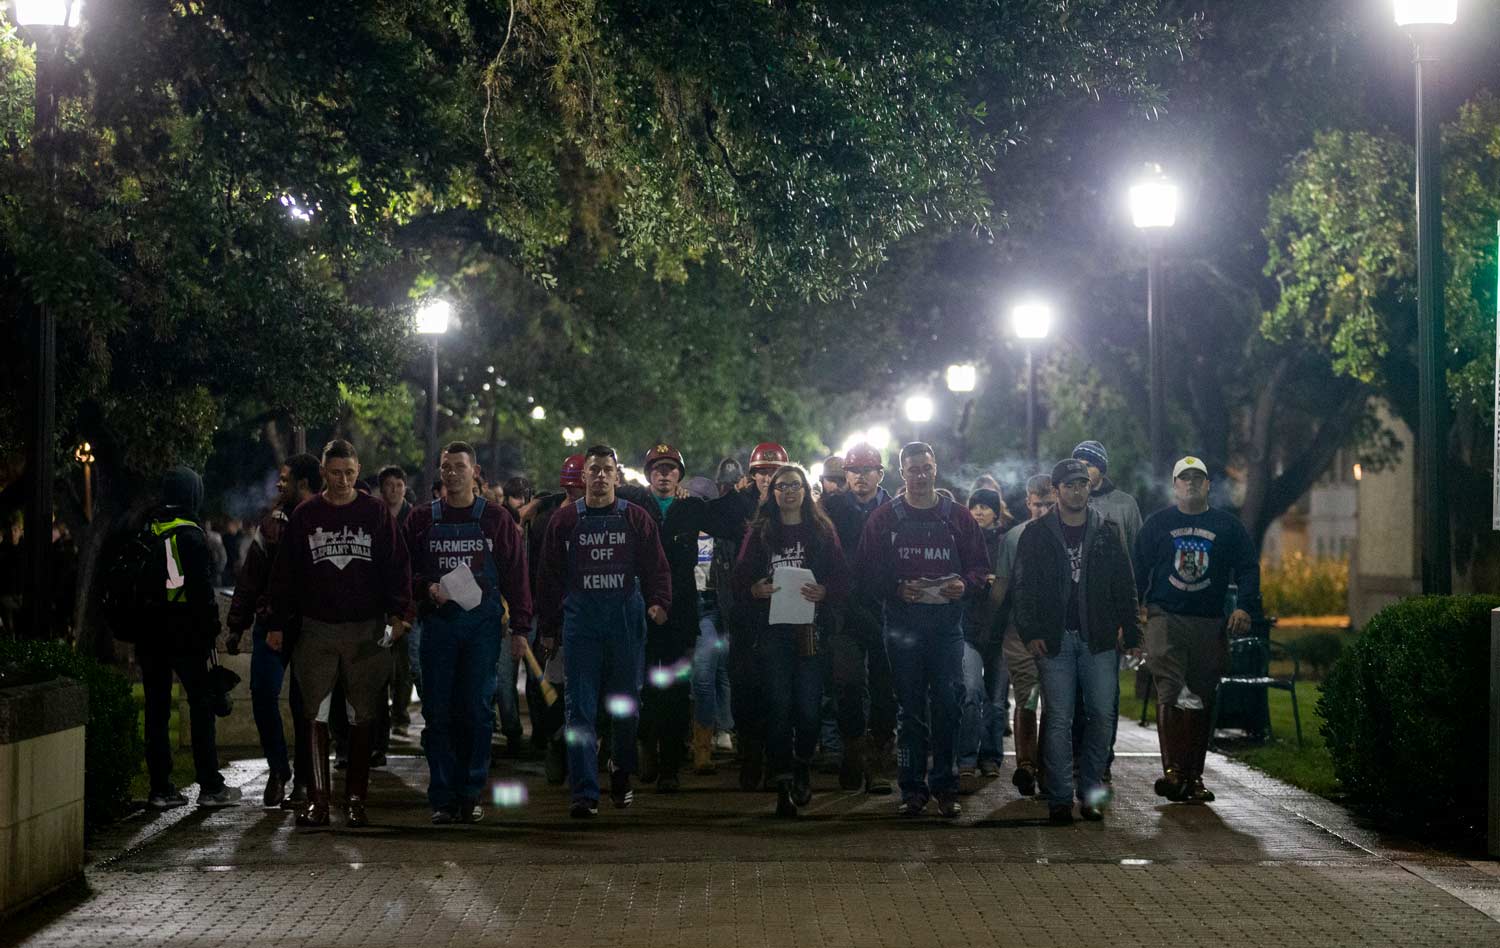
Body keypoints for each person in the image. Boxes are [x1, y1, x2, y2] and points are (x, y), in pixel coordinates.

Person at [267, 439, 413, 829]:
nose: (343, 480)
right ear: (324, 474)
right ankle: (318, 800)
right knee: (314, 711)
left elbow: (397, 565)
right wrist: (278, 623)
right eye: (335, 473)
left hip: (365, 627)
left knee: (362, 714)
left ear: (357, 469)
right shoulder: (306, 515)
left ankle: (355, 799)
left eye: (349, 473)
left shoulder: (376, 513)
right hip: (317, 627)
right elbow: (286, 573)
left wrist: (401, 613)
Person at [853, 442, 990, 818]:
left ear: (935, 468)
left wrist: (966, 584)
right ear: (902, 473)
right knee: (910, 709)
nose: (920, 475)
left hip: (947, 627)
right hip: (902, 627)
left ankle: (945, 787)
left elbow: (981, 567)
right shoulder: (884, 519)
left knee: (949, 704)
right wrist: (896, 588)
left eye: (926, 468)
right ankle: (912, 789)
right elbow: (865, 573)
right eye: (913, 469)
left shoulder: (958, 517)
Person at [536, 445, 672, 818]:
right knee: (578, 709)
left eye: (606, 470)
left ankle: (620, 770)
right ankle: (584, 792)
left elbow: (657, 567)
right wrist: (548, 628)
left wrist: (659, 602)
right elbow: (548, 578)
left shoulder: (636, 519)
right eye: (592, 470)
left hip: (625, 624)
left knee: (626, 706)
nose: (599, 476)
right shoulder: (564, 522)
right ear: (583, 477)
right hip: (580, 625)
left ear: (617, 475)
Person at [405, 442, 533, 824]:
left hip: (481, 630)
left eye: (459, 466)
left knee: (477, 712)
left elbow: (516, 576)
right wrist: (425, 588)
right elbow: (404, 572)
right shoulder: (421, 519)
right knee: (438, 711)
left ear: (474, 472)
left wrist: (521, 628)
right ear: (439, 472)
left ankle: (471, 792)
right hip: (439, 627)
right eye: (445, 467)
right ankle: (443, 797)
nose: (452, 473)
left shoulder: (495, 519)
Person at [1013, 459, 1140, 825]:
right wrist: (1030, 631)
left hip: (1097, 639)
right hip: (1055, 640)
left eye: (1082, 483)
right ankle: (1058, 798)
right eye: (1069, 485)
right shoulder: (1036, 534)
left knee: (1101, 714)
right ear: (1056, 490)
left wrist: (1131, 633)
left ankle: (1092, 794)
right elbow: (1024, 589)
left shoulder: (1106, 530)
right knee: (1058, 719)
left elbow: (1124, 585)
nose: (1077, 490)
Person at [1136, 456, 1262, 805]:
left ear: (1208, 485)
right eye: (1184, 478)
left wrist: (1245, 606)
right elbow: (1138, 567)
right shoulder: (1157, 524)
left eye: (1198, 478)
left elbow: (1248, 568)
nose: (1191, 484)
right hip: (1166, 617)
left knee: (1201, 697)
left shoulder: (1227, 526)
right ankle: (1173, 771)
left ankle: (1193, 776)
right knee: (1172, 690)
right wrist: (1135, 608)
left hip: (1209, 620)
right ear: (1174, 485)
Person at [733, 464, 850, 817]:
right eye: (782, 486)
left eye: (795, 485)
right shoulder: (760, 531)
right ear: (772, 493)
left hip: (810, 631)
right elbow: (740, 579)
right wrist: (756, 588)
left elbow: (842, 578)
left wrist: (825, 590)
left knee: (809, 708)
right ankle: (783, 779)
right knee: (780, 706)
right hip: (773, 632)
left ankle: (801, 763)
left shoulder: (821, 530)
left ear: (805, 490)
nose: (788, 491)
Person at [137, 466, 242, 809]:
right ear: (192, 494)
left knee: (156, 709)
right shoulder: (192, 535)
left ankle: (161, 788)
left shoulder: (146, 528)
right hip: (185, 633)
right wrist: (211, 629)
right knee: (201, 705)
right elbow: (201, 592)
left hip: (149, 632)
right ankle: (210, 785)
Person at [226, 454, 321, 809]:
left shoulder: (323, 519)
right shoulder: (270, 525)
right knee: (263, 692)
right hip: (270, 623)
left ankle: (305, 780)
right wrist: (237, 625)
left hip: (311, 626)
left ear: (304, 483)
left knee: (304, 705)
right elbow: (250, 576)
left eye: (286, 479)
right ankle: (279, 769)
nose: (279, 484)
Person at [820, 442, 896, 794]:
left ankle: (877, 756)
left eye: (867, 470)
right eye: (853, 470)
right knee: (847, 682)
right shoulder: (830, 509)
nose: (860, 477)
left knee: (885, 686)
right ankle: (853, 747)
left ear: (880, 474)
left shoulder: (897, 509)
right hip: (844, 610)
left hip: (888, 608)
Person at [720, 442, 788, 790]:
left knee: (778, 690)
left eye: (773, 473)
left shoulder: (794, 509)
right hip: (745, 611)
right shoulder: (737, 507)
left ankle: (778, 762)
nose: (766, 479)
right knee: (745, 687)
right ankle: (751, 755)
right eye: (761, 472)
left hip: (783, 613)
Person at [988, 474, 1054, 796]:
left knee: (1056, 702)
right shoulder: (1014, 538)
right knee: (1028, 694)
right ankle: (1027, 764)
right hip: (1018, 630)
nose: (1042, 510)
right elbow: (1001, 585)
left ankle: (1045, 765)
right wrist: (992, 625)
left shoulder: (1065, 536)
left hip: (1056, 630)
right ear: (1027, 502)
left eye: (1048, 504)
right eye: (1037, 504)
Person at [527, 453, 587, 778]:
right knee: (552, 687)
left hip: (590, 616)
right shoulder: (548, 521)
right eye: (571, 491)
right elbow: (544, 576)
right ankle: (556, 743)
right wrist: (547, 625)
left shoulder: (606, 514)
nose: (575, 497)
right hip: (558, 619)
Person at [957, 487, 1008, 790]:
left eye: (985, 507)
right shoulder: (961, 540)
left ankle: (991, 756)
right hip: (969, 629)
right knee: (972, 691)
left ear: (995, 512)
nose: (979, 511)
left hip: (1000, 632)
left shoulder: (1006, 543)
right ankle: (966, 757)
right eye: (974, 506)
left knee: (997, 700)